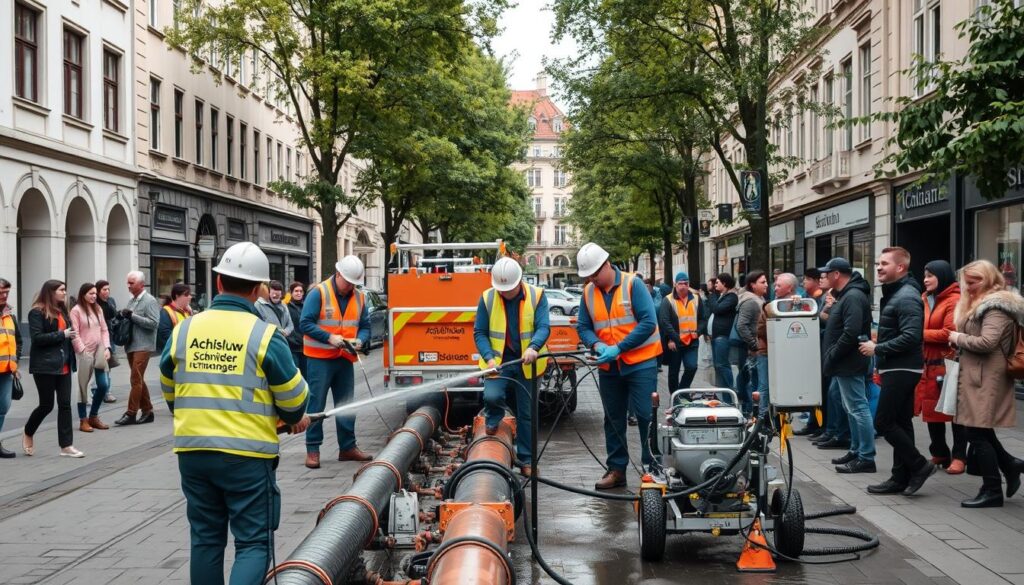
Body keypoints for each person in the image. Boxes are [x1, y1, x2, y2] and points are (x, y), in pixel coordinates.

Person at [160, 241, 311, 583]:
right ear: (259, 289)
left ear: (217, 282)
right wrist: (291, 417)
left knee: (206, 540)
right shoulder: (264, 335)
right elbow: (294, 400)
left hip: (194, 452)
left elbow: (170, 387)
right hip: (246, 456)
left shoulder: (184, 329)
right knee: (253, 543)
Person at [576, 243, 662, 490]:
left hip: (641, 363)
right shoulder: (588, 293)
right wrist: (596, 345)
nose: (591, 279)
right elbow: (583, 327)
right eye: (588, 276)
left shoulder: (632, 284)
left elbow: (648, 322)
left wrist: (618, 348)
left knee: (646, 415)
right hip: (609, 368)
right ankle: (616, 469)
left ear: (606, 264)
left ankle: (651, 468)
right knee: (613, 419)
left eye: (594, 274)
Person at [947, 260, 1024, 508]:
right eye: (967, 282)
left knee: (976, 433)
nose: (969, 287)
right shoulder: (980, 304)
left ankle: (992, 489)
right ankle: (1010, 465)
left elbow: (988, 342)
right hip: (977, 375)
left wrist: (958, 337)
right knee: (979, 430)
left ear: (990, 279)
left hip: (988, 376)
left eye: (975, 281)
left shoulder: (996, 306)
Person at [860, 247, 935, 495]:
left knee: (884, 421)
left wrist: (878, 347)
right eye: (878, 263)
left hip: (902, 367)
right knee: (901, 423)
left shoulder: (906, 296)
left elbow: (912, 337)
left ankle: (919, 465)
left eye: (884, 264)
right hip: (898, 366)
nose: (879, 267)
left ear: (900, 268)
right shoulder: (898, 293)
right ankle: (900, 477)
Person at [473, 257, 550, 477]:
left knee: (527, 415)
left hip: (528, 364)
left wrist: (534, 347)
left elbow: (543, 326)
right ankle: (494, 418)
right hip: (499, 362)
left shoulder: (537, 296)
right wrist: (489, 358)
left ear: (519, 281)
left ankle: (526, 461)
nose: (505, 293)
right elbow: (479, 332)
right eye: (502, 290)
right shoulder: (488, 298)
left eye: (509, 289)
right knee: (492, 397)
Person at [300, 255, 372, 469]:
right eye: (348, 281)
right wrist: (329, 337)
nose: (350, 286)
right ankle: (313, 449)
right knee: (316, 404)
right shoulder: (319, 293)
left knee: (347, 404)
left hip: (344, 359)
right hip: (320, 359)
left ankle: (347, 447)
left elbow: (365, 325)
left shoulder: (359, 297)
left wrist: (361, 339)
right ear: (338, 274)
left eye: (354, 283)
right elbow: (305, 322)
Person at [817, 258, 874, 472]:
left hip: (849, 362)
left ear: (837, 274)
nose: (824, 276)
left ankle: (866, 456)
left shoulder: (852, 296)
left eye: (827, 273)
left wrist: (832, 354)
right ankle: (856, 449)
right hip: (844, 362)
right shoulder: (846, 295)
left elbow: (851, 332)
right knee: (851, 408)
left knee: (858, 408)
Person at [23, 280, 85, 458]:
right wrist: (62, 334)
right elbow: (37, 338)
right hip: (45, 366)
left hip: (64, 364)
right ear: (50, 292)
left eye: (65, 289)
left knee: (65, 405)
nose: (65, 293)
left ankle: (66, 446)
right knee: (46, 405)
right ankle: (28, 431)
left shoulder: (62, 311)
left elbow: (70, 334)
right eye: (61, 290)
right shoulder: (36, 312)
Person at [917, 260, 967, 474]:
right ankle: (940, 452)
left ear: (942, 276)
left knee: (954, 413)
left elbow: (949, 333)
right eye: (925, 275)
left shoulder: (954, 300)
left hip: (948, 363)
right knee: (931, 410)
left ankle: (959, 457)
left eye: (930, 275)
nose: (925, 280)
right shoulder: (925, 298)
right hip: (928, 363)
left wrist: (916, 335)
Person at [113, 272, 160, 426]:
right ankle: (148, 411)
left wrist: (132, 316)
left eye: (131, 283)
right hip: (131, 344)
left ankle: (131, 413)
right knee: (138, 379)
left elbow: (154, 323)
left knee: (135, 378)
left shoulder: (150, 301)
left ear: (141, 284)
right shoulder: (132, 300)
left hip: (144, 345)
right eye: (127, 282)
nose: (128, 285)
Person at [70, 282, 112, 432]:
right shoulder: (76, 311)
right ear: (83, 294)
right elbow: (74, 333)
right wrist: (82, 350)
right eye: (91, 294)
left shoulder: (98, 308)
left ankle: (93, 416)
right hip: (84, 353)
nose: (94, 296)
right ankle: (83, 420)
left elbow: (104, 330)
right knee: (82, 388)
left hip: (99, 350)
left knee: (103, 385)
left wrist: (107, 347)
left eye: (95, 293)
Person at [755, 273, 799, 416]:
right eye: (776, 285)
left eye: (779, 285)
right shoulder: (770, 306)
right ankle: (764, 417)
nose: (775, 288)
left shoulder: (799, 303)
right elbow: (760, 330)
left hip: (788, 352)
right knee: (765, 386)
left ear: (789, 288)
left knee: (781, 385)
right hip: (766, 351)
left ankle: (781, 416)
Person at [659, 272, 707, 393]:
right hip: (675, 342)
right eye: (680, 283)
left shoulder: (696, 298)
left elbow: (702, 318)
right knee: (673, 372)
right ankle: (675, 398)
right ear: (675, 284)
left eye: (686, 283)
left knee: (692, 367)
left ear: (688, 284)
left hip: (692, 340)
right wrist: (672, 338)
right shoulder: (668, 300)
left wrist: (699, 331)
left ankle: (681, 393)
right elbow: (665, 322)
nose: (683, 286)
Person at [794, 269, 828, 437]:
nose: (803, 283)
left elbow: (823, 322)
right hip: (814, 349)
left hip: (821, 349)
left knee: (822, 390)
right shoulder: (813, 298)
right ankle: (814, 423)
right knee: (815, 388)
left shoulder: (824, 298)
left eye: (806, 279)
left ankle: (821, 425)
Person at [734, 270, 767, 415]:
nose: (767, 285)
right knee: (752, 383)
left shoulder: (758, 299)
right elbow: (741, 325)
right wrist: (754, 344)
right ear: (753, 285)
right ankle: (752, 413)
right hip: (754, 351)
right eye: (762, 282)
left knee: (749, 380)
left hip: (757, 350)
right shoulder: (751, 302)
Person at [0, 279, 23, 458]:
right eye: (1, 292)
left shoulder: (10, 315)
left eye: (6, 292)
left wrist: (15, 363)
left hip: (7, 371)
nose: (4, 295)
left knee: (3, 406)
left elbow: (18, 341)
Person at [708, 273, 739, 390]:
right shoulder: (722, 296)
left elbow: (716, 309)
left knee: (722, 365)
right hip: (716, 336)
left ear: (724, 283)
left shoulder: (731, 297)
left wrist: (712, 296)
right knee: (718, 366)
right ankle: (722, 395)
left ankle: (731, 391)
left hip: (723, 336)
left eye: (717, 282)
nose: (715, 285)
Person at [96, 280, 120, 403]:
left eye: (108, 289)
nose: (107, 292)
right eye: (104, 289)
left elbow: (113, 315)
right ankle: (98, 390)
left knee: (108, 366)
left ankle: (107, 392)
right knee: (98, 365)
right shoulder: (94, 303)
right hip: (96, 338)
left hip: (109, 337)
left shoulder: (110, 301)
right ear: (98, 291)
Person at [157, 283, 192, 354]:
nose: (190, 297)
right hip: (173, 352)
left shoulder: (186, 311)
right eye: (186, 295)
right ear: (177, 296)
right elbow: (165, 334)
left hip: (184, 351)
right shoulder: (166, 311)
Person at [285, 282, 307, 378]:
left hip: (305, 348)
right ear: (291, 293)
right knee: (295, 376)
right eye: (296, 291)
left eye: (301, 291)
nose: (298, 293)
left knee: (306, 376)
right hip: (292, 347)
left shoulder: (307, 306)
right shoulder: (285, 307)